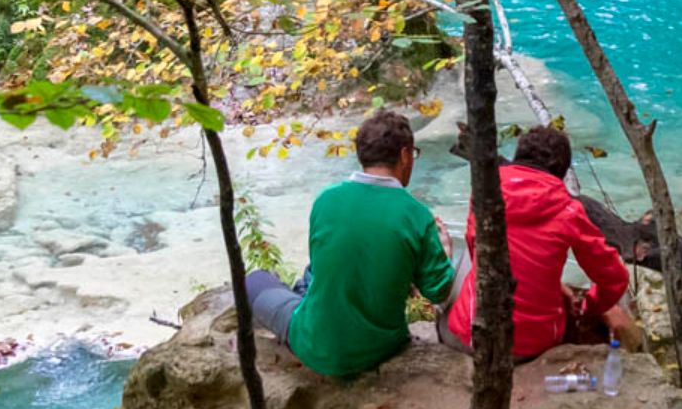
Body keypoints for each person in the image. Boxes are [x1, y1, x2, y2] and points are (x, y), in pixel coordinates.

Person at [245, 110, 454, 377]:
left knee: (257, 280)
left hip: (315, 345)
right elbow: (439, 292)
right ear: (404, 155)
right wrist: (445, 252)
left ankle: (297, 301)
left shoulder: (326, 201)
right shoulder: (416, 214)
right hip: (381, 347)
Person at [440, 126, 635, 361]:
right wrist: (589, 308)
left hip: (468, 337)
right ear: (561, 174)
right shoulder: (568, 210)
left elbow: (479, 252)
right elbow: (615, 278)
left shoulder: (485, 190)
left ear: (518, 157)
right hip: (532, 347)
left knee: (467, 262)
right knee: (618, 295)